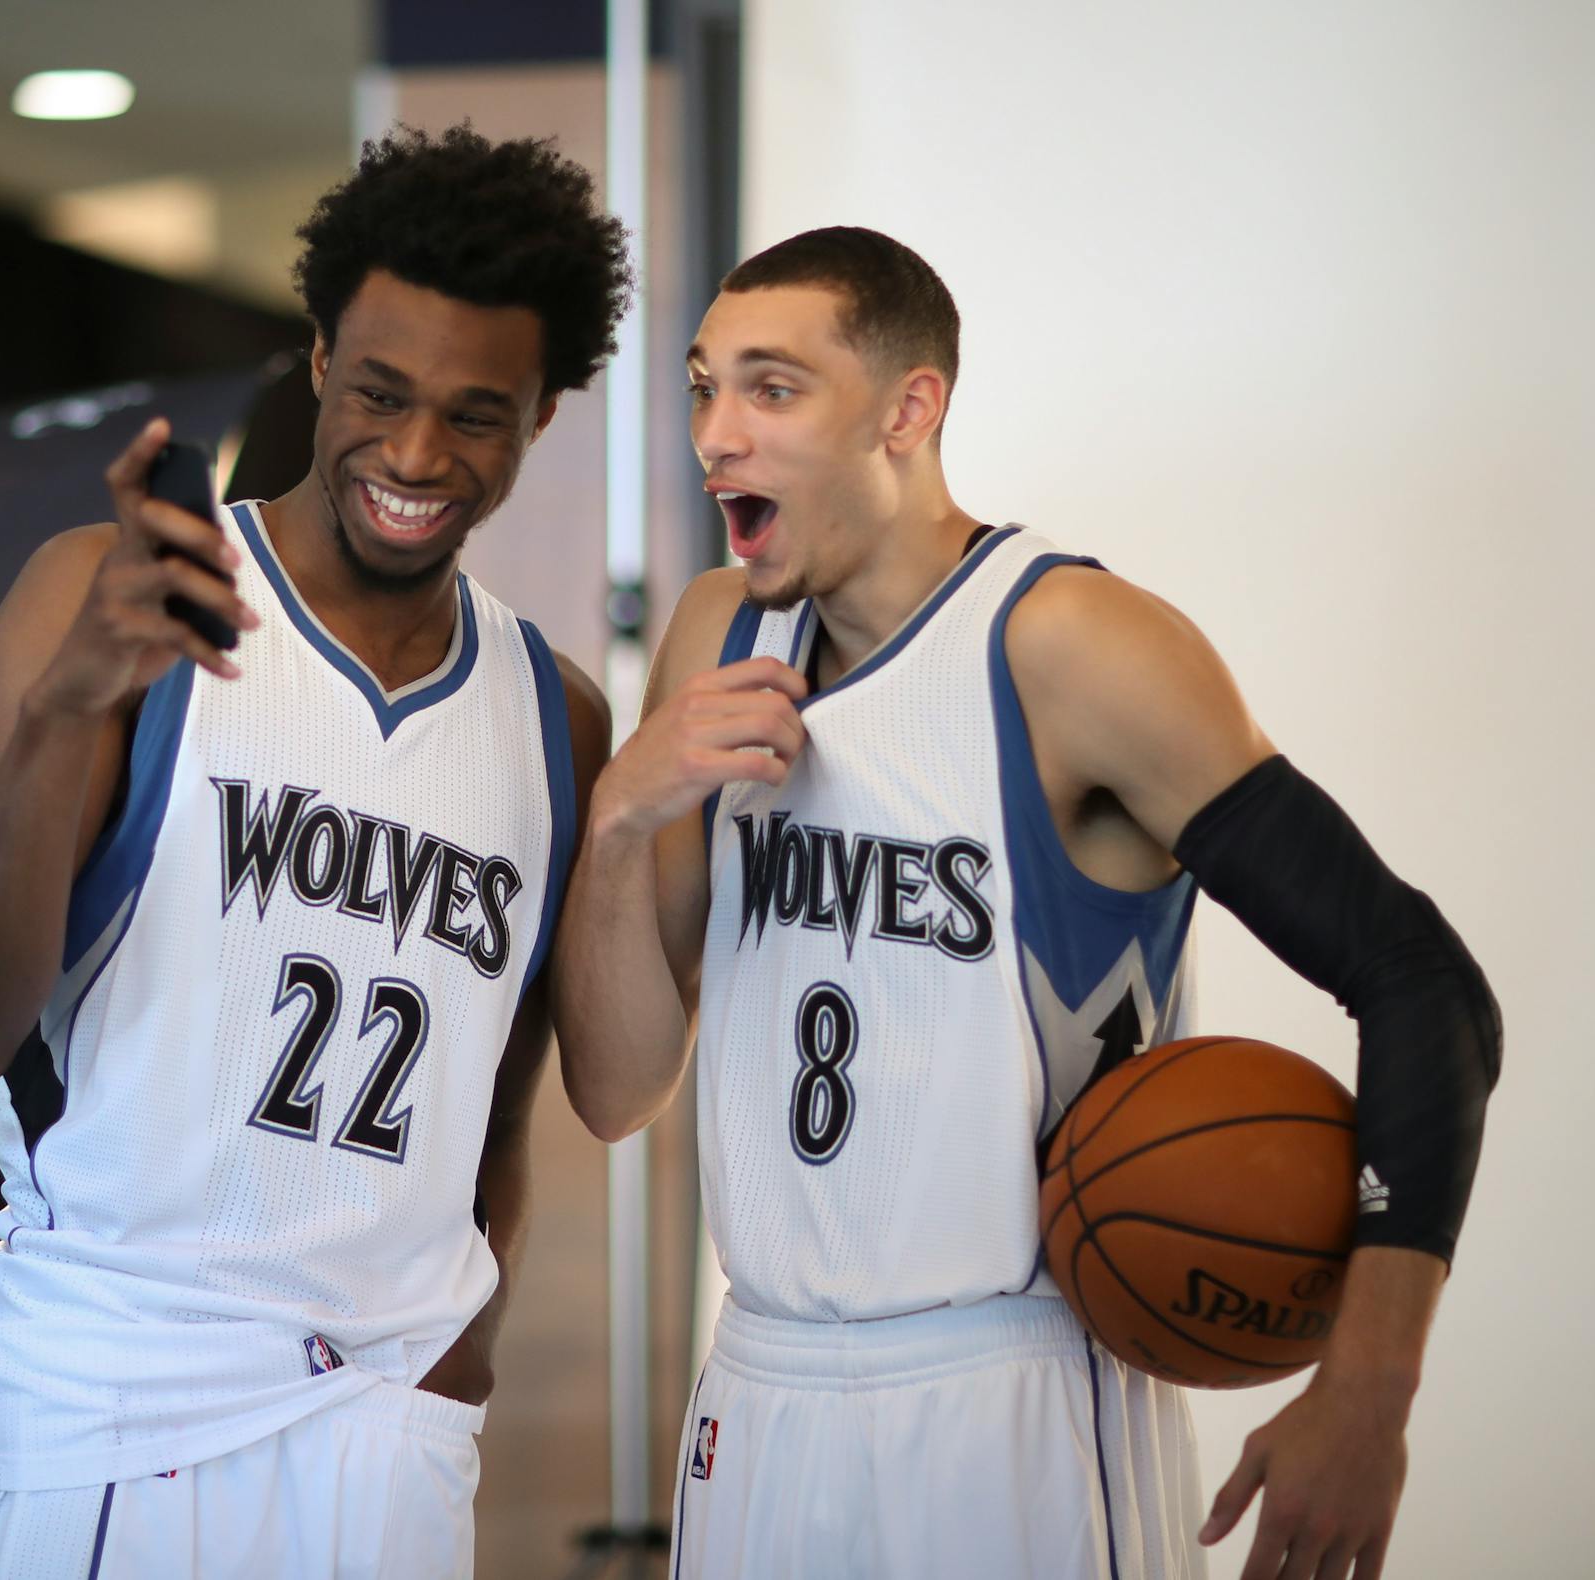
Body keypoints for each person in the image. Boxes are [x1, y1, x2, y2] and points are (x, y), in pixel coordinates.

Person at [554, 226, 1499, 1580]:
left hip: (1011, 1396)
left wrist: (1369, 1388)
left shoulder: (1069, 649)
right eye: (704, 386)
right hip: (759, 1389)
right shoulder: (720, 636)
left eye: (771, 388)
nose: (716, 434)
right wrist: (617, 825)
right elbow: (615, 1090)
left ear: (909, 408)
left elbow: (1426, 984)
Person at [0, 125, 627, 1579]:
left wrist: (457, 1364)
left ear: (543, 417)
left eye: (477, 414)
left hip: (387, 1428)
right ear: (315, 359)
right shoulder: (112, 605)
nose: (417, 454)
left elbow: (494, 1108)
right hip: (118, 1396)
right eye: (380, 392)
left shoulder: (558, 720)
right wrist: (69, 708)